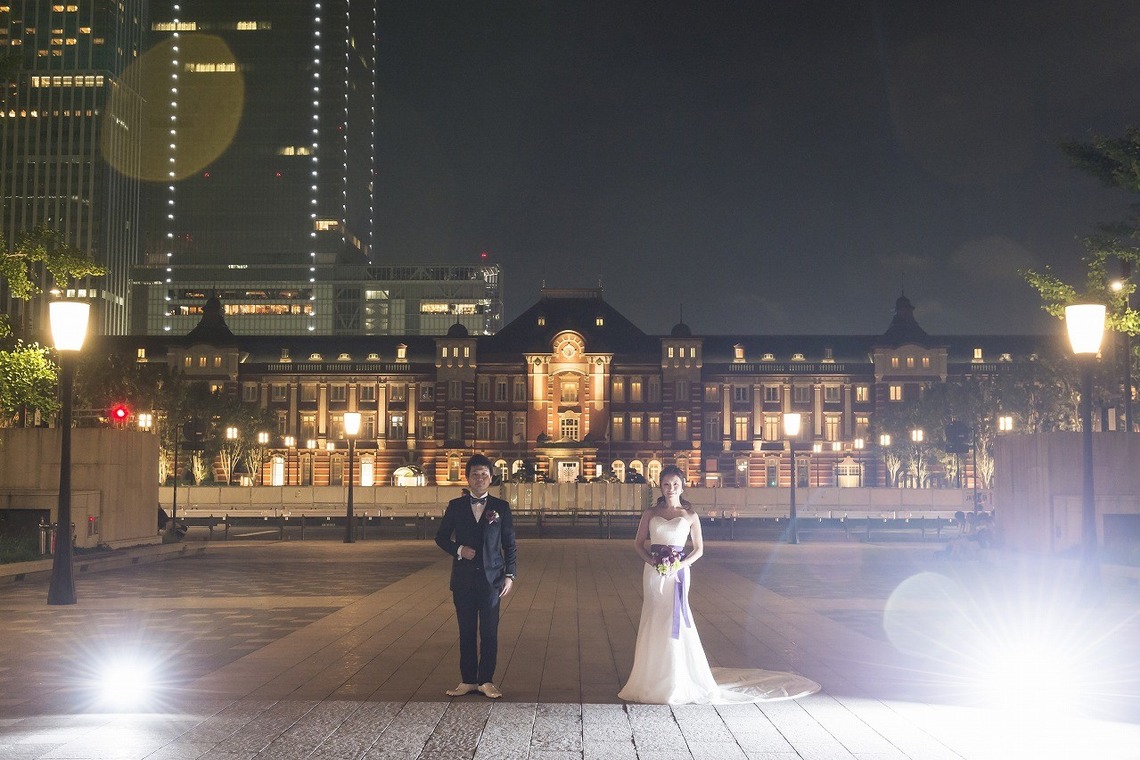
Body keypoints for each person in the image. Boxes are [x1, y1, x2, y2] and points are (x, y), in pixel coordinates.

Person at [618, 464, 820, 704]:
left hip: (679, 573)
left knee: (676, 618)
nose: (671, 488)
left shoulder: (689, 516)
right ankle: (649, 677)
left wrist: (679, 566)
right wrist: (652, 561)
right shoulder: (650, 513)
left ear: (682, 486)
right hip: (654, 574)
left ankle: (675, 679)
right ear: (659, 486)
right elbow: (638, 543)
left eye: (675, 484)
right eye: (666, 484)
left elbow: (699, 549)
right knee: (654, 617)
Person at [435, 454, 517, 699]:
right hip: (463, 579)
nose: (479, 478)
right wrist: (459, 550)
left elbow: (510, 544)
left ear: (491, 478)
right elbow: (440, 538)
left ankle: (487, 680)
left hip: (492, 580)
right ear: (468, 478)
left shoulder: (500, 508)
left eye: (484, 474)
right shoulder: (456, 506)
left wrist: (510, 575)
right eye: (475, 474)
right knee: (467, 630)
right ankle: (468, 680)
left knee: (490, 631)